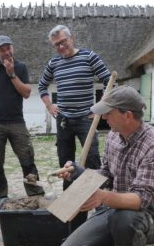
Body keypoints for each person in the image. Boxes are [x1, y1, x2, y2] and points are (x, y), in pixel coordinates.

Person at [56, 85, 154, 246]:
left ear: (128, 116)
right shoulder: (113, 136)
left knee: (124, 221)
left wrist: (102, 197)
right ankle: (112, 245)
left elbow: (142, 200)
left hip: (146, 216)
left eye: (108, 113)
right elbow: (106, 175)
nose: (103, 117)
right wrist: (79, 173)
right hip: (113, 210)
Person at [0, 35, 45, 201]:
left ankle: (35, 195)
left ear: (13, 48)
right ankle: (0, 196)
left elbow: (26, 93)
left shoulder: (21, 67)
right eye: (1, 49)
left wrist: (11, 74)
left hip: (17, 122)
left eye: (8, 48)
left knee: (27, 160)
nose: (6, 52)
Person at [38, 24, 111, 190]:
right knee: (65, 161)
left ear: (72, 38)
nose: (61, 46)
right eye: (57, 44)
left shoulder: (89, 56)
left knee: (92, 159)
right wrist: (49, 106)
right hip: (64, 120)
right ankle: (70, 200)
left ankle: (97, 198)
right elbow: (42, 86)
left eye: (64, 41)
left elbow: (109, 81)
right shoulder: (53, 63)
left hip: (86, 119)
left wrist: (99, 109)